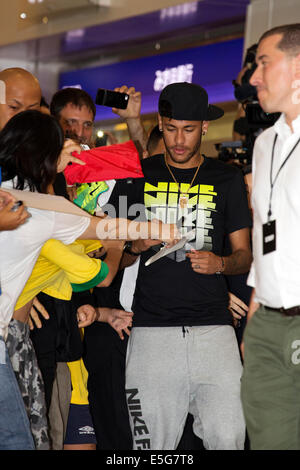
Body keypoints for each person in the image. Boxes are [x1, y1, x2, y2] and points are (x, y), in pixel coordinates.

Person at [0, 109, 178, 450]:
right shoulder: (44, 208)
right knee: (22, 440)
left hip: (16, 337)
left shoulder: (13, 195)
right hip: (10, 339)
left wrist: (53, 165)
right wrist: (161, 230)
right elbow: (105, 228)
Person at [103, 82, 252, 450]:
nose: (179, 139)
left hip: (215, 332)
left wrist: (220, 263)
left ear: (204, 126)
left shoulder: (226, 178)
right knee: (151, 446)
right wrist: (134, 245)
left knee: (229, 437)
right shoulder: (136, 175)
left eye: (188, 129)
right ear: (161, 124)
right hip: (152, 331)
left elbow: (244, 256)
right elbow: (108, 261)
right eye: (170, 129)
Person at [241, 23, 300, 450]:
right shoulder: (265, 144)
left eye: (264, 63)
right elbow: (267, 229)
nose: (253, 78)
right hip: (266, 323)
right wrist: (255, 311)